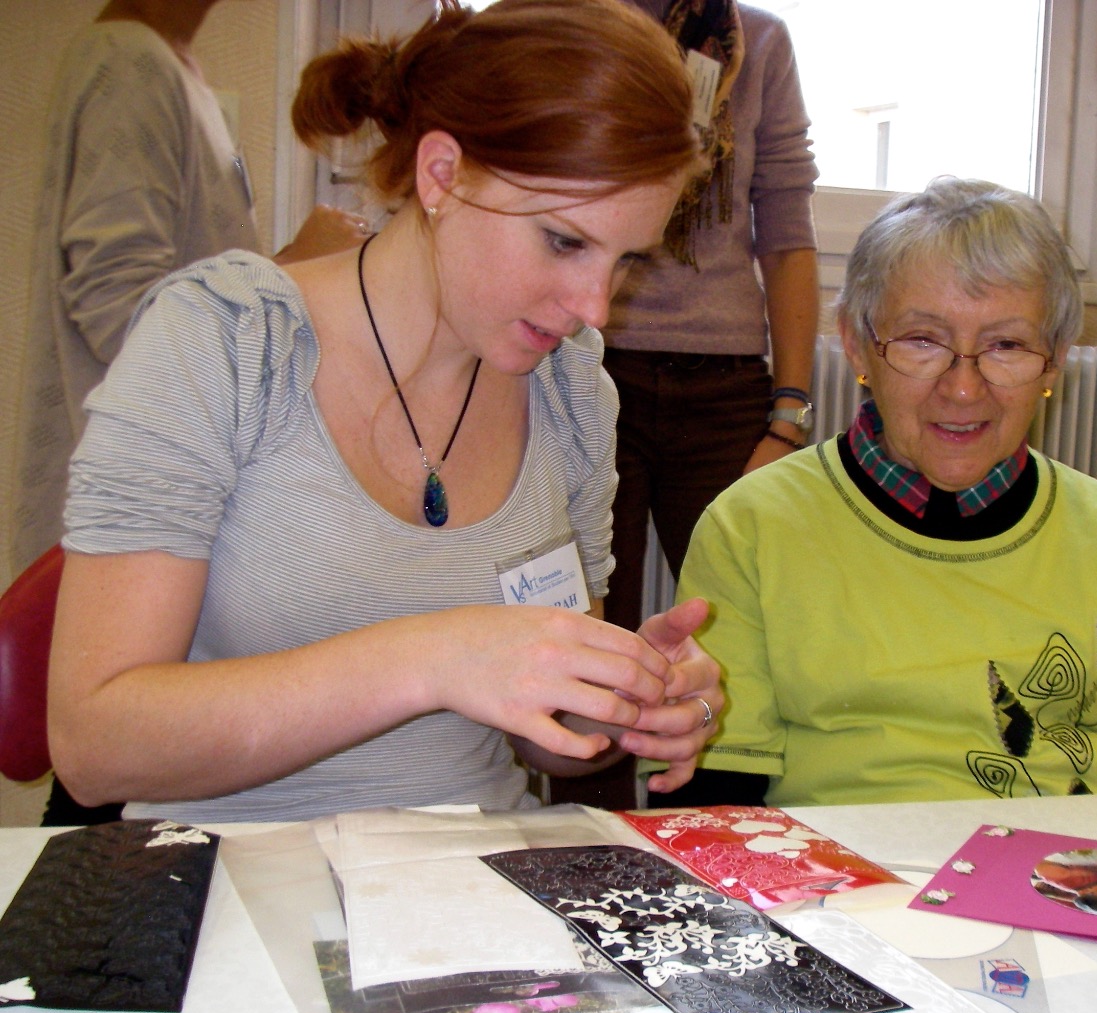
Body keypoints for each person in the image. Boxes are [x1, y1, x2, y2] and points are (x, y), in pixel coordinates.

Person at [45, 0, 721, 824]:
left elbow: (552, 741)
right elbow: (93, 746)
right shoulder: (225, 340)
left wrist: (622, 697)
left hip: (468, 888)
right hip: (221, 894)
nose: (594, 308)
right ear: (442, 176)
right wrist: (432, 657)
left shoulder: (570, 392)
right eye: (563, 240)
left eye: (625, 261)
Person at [656, 176, 1097, 808]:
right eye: (923, 341)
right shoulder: (753, 526)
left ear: (1052, 361)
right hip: (844, 888)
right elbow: (710, 802)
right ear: (859, 345)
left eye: (1006, 345)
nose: (964, 389)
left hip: (1076, 882)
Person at [10, 0, 370, 578]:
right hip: (130, 513)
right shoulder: (128, 65)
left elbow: (186, 281)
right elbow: (116, 309)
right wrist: (291, 266)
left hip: (168, 497)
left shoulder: (171, 67)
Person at [599, 0, 819, 632]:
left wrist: (788, 419)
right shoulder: (570, 23)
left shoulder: (760, 43)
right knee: (595, 626)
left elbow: (786, 237)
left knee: (742, 621)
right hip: (588, 371)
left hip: (721, 391)